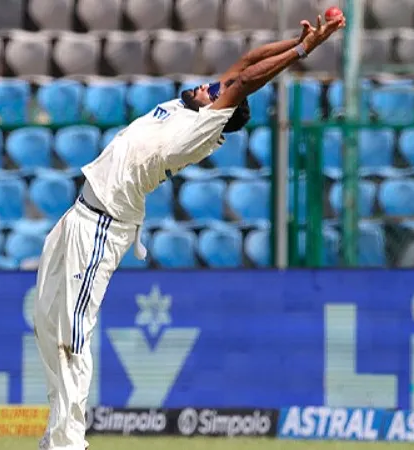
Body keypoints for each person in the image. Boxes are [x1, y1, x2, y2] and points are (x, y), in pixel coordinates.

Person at [33, 13, 346, 450]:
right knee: (46, 321)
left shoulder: (201, 124)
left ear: (222, 110)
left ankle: (71, 444)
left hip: (102, 225)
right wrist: (293, 39)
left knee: (72, 334)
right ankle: (56, 436)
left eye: (216, 92)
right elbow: (243, 64)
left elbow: (243, 83)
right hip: (78, 214)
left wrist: (302, 53)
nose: (209, 85)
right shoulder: (186, 107)